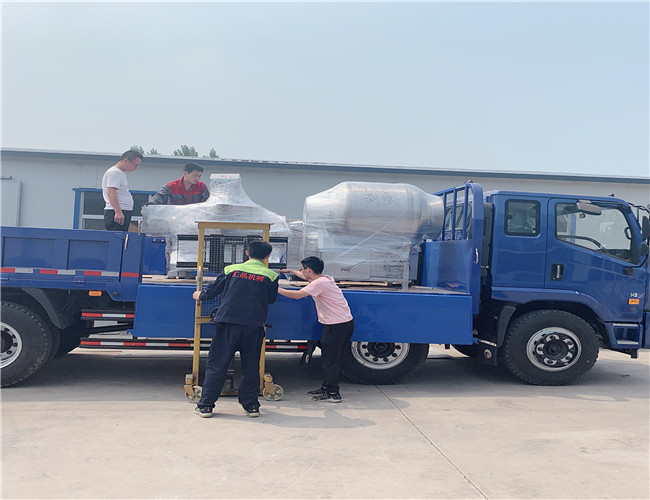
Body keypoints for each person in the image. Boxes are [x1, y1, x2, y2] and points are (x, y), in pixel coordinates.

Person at [192, 241, 279, 418]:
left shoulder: (231, 269)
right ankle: (251, 406)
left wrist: (200, 295)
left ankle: (206, 406)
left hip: (228, 323)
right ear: (267, 256)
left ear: (247, 253)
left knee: (217, 364)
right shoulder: (271, 276)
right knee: (251, 367)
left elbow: (213, 290)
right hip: (253, 326)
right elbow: (270, 299)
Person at [279, 256, 354, 403]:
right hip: (342, 323)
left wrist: (275, 288)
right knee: (329, 359)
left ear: (309, 269)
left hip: (336, 326)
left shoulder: (318, 283)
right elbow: (303, 276)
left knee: (330, 361)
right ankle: (326, 387)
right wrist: (291, 271)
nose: (301, 271)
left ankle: (333, 393)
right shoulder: (325, 279)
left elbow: (297, 295)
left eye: (302, 269)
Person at [102, 150, 143, 231]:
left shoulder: (120, 173)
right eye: (135, 165)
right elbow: (111, 192)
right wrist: (118, 212)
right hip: (117, 211)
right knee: (117, 236)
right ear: (126, 160)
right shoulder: (115, 172)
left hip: (122, 210)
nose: (135, 168)